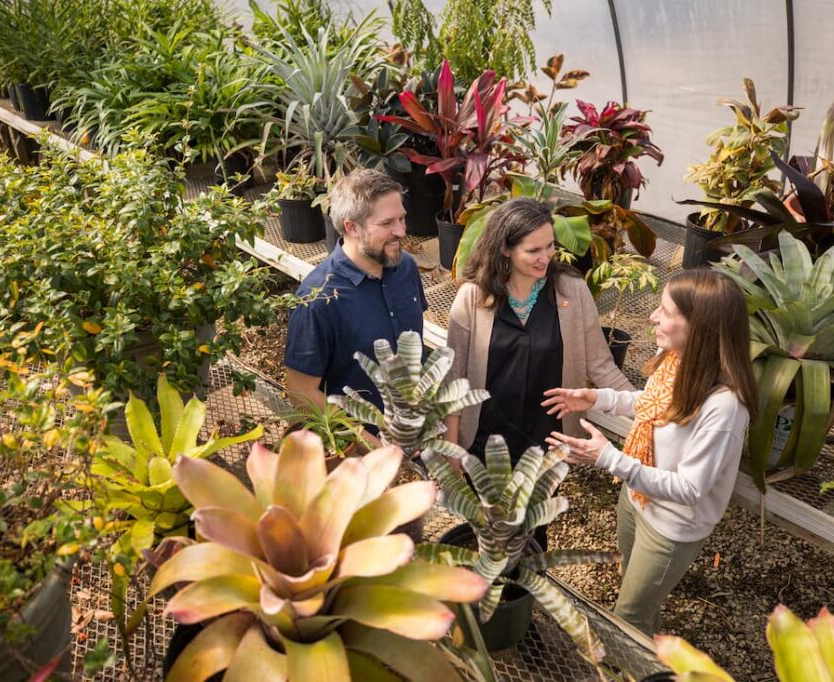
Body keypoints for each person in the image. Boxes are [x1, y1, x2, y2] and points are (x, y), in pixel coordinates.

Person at [544, 269, 757, 636]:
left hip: (671, 526)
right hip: (636, 498)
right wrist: (597, 397)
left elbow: (690, 489)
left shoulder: (725, 408)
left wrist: (608, 458)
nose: (652, 317)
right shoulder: (676, 358)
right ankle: (650, 657)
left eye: (666, 311)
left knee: (627, 619)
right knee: (639, 600)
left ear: (700, 326)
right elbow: (652, 404)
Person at [443, 197, 633, 463]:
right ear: (505, 250)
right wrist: (451, 449)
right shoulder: (472, 298)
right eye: (533, 251)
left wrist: (646, 408)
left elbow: (601, 365)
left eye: (550, 246)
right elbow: (453, 379)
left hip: (549, 446)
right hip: (484, 444)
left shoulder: (572, 291)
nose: (545, 258)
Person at [284, 168, 427, 416]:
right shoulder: (318, 299)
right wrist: (369, 442)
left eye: (401, 218)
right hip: (359, 448)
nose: (402, 231)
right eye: (386, 223)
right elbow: (301, 393)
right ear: (352, 227)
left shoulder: (405, 267)